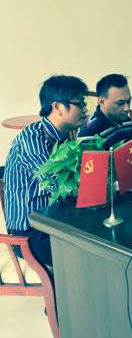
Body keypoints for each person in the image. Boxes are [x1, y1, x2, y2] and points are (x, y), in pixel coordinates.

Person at [4, 75, 89, 267]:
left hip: (56, 221)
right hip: (30, 233)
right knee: (88, 255)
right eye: (79, 104)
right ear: (57, 106)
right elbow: (59, 186)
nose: (85, 109)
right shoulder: (32, 139)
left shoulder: (68, 133)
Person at [79, 73, 132, 168]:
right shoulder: (89, 131)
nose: (127, 108)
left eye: (128, 101)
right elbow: (93, 172)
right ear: (102, 102)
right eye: (120, 103)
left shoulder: (125, 119)